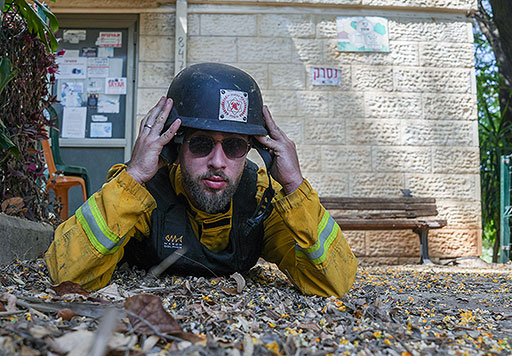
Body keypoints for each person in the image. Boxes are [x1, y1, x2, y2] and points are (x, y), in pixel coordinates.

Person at [46, 63, 357, 297]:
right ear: (175, 148)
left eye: (235, 146)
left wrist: (294, 186)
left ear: (253, 150)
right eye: (201, 144)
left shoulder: (262, 197)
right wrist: (136, 175)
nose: (218, 162)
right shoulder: (137, 193)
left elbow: (335, 283)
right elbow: (68, 273)